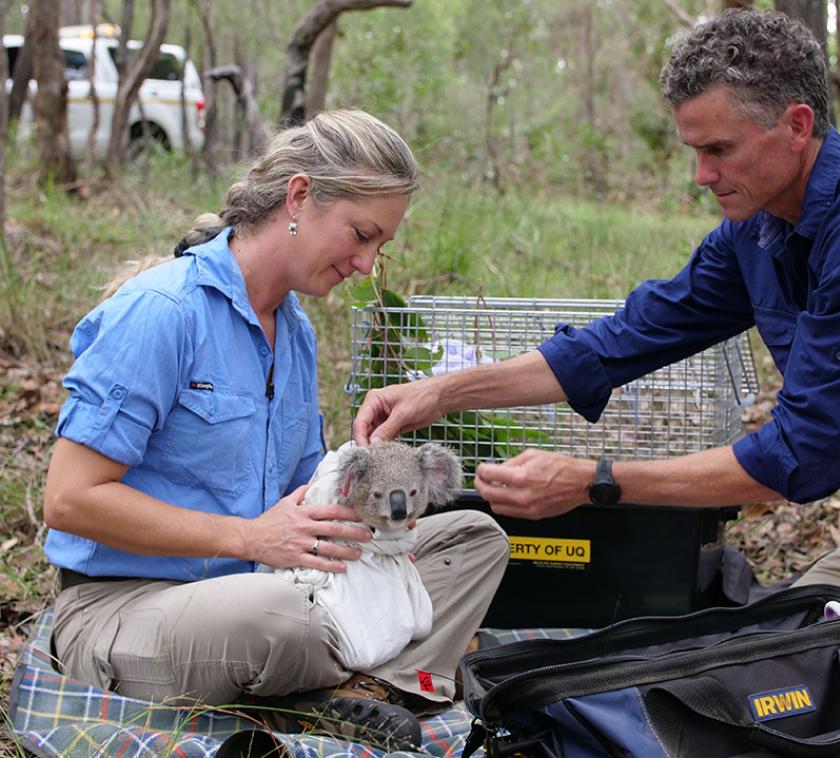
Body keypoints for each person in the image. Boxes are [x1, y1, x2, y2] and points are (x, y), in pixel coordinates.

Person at [352, 11, 840, 758]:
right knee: (771, 681)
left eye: (720, 149)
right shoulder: (758, 231)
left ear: (796, 126)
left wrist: (594, 482)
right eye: (694, 150)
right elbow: (622, 341)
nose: (701, 174)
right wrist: (441, 392)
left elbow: (799, 459)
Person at [42, 109, 509, 751]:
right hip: (134, 605)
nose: (368, 264)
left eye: (381, 247)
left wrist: (365, 472)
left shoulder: (294, 332)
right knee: (280, 620)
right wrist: (249, 536)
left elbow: (302, 507)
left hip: (275, 586)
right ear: (298, 197)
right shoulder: (162, 313)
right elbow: (69, 500)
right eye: (362, 234)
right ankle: (362, 676)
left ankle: (365, 692)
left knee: (474, 540)